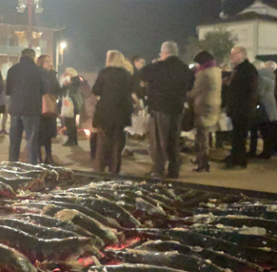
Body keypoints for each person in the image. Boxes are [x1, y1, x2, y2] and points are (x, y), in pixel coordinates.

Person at [139, 41, 194, 179]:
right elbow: (190, 85)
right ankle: (174, 169)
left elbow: (142, 73)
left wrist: (156, 62)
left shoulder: (158, 67)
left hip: (160, 108)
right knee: (173, 139)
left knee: (158, 141)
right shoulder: (184, 68)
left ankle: (158, 169)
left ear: (164, 53)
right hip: (177, 108)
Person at [91, 50, 134, 174]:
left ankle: (100, 169)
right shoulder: (126, 74)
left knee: (103, 142)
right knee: (117, 143)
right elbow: (131, 90)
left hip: (105, 112)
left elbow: (95, 90)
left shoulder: (104, 73)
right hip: (121, 112)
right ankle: (114, 170)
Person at [6, 48, 46, 164]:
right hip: (32, 110)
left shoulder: (12, 70)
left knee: (14, 141)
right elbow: (44, 89)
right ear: (33, 57)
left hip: (15, 109)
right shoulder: (39, 71)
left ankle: (11, 166)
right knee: (31, 141)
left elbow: (8, 90)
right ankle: (31, 166)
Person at [187, 51, 222, 172]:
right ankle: (201, 159)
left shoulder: (203, 74)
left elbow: (195, 91)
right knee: (207, 134)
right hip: (214, 105)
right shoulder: (216, 71)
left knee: (202, 136)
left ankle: (203, 162)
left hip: (203, 106)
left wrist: (185, 95)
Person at [224, 46, 258, 169]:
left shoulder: (247, 69)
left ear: (241, 55)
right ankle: (235, 158)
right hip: (238, 108)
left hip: (242, 108)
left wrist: (232, 84)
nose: (231, 56)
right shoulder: (239, 69)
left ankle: (239, 160)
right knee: (237, 135)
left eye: (234, 54)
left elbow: (248, 88)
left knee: (240, 136)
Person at [248, 61, 277, 160]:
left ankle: (264, 152)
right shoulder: (271, 78)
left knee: (263, 130)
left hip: (263, 107)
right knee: (267, 131)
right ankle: (267, 151)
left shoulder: (261, 79)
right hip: (270, 106)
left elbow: (259, 93)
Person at [37, 54, 60, 164]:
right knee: (40, 133)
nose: (49, 63)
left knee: (49, 134)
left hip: (50, 107)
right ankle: (38, 157)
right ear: (41, 63)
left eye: (50, 60)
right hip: (40, 107)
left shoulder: (52, 74)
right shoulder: (38, 73)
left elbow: (57, 89)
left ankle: (48, 156)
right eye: (47, 61)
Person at [59, 68, 83, 147]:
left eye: (67, 73)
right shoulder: (72, 81)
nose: (65, 75)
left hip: (73, 103)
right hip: (71, 103)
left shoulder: (76, 81)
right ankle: (74, 140)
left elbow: (73, 90)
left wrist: (66, 85)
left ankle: (71, 140)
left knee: (70, 122)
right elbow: (62, 91)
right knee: (70, 122)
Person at [77, 77, 98, 161]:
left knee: (94, 135)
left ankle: (94, 154)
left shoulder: (90, 98)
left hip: (92, 119)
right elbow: (90, 111)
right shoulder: (91, 98)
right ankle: (94, 154)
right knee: (94, 135)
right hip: (92, 119)